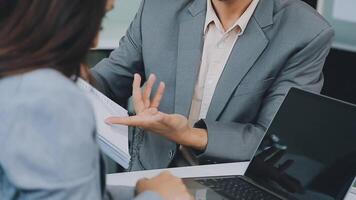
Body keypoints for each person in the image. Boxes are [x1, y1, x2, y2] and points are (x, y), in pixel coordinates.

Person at [90, 0, 334, 171]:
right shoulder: (159, 6)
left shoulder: (306, 32)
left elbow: (275, 142)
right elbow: (106, 80)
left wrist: (189, 135)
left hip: (228, 181)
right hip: (149, 173)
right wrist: (62, 72)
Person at [0, 0, 192, 200]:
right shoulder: (52, 99)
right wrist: (160, 197)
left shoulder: (15, 78)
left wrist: (139, 192)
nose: (94, 41)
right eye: (101, 20)